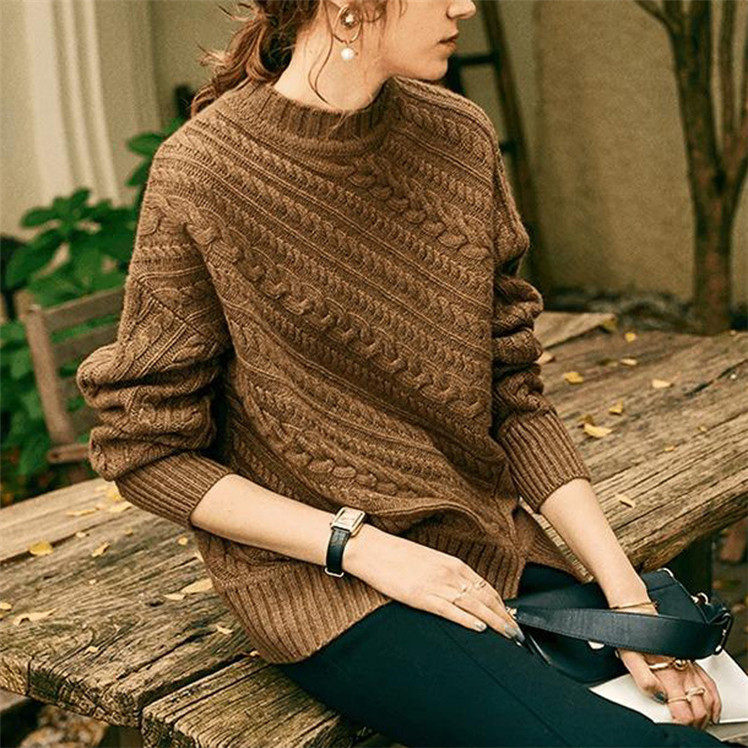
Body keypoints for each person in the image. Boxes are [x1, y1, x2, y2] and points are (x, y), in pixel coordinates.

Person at [76, 1, 736, 745]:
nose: (465, 6)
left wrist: (628, 602)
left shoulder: (459, 136)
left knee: (702, 709)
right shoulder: (205, 173)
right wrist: (363, 548)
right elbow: (148, 451)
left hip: (486, 546)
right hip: (327, 584)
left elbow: (512, 397)